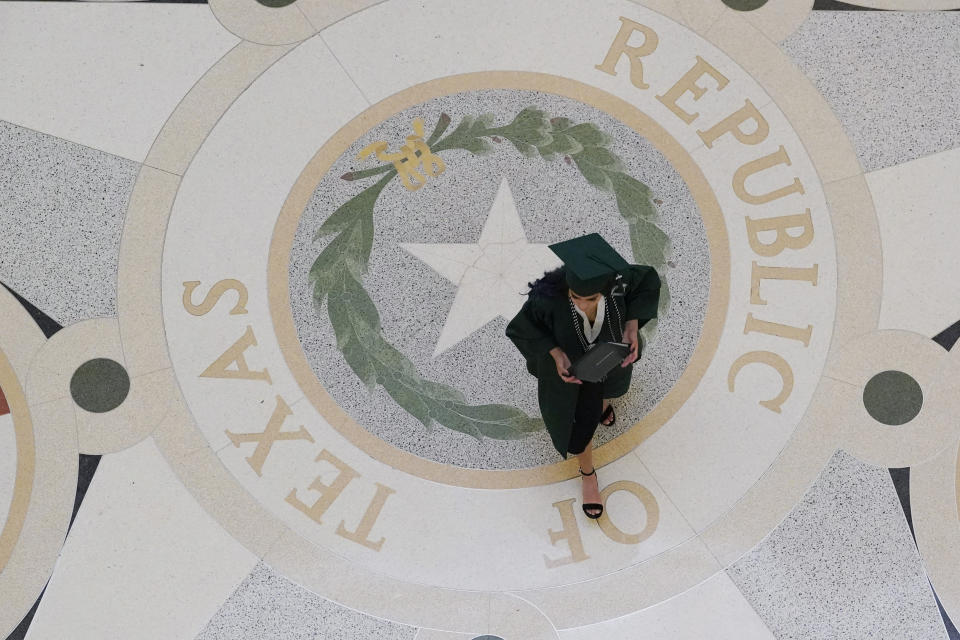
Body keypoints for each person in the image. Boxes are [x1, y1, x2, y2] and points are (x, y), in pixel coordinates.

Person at [506, 233, 661, 519]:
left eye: (590, 298)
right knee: (581, 426)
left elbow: (647, 282)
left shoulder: (619, 284)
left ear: (605, 288)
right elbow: (522, 328)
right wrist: (555, 353)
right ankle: (588, 473)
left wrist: (631, 323)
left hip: (610, 355)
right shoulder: (548, 300)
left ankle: (603, 404)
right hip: (574, 374)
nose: (582, 304)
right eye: (575, 297)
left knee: (613, 388)